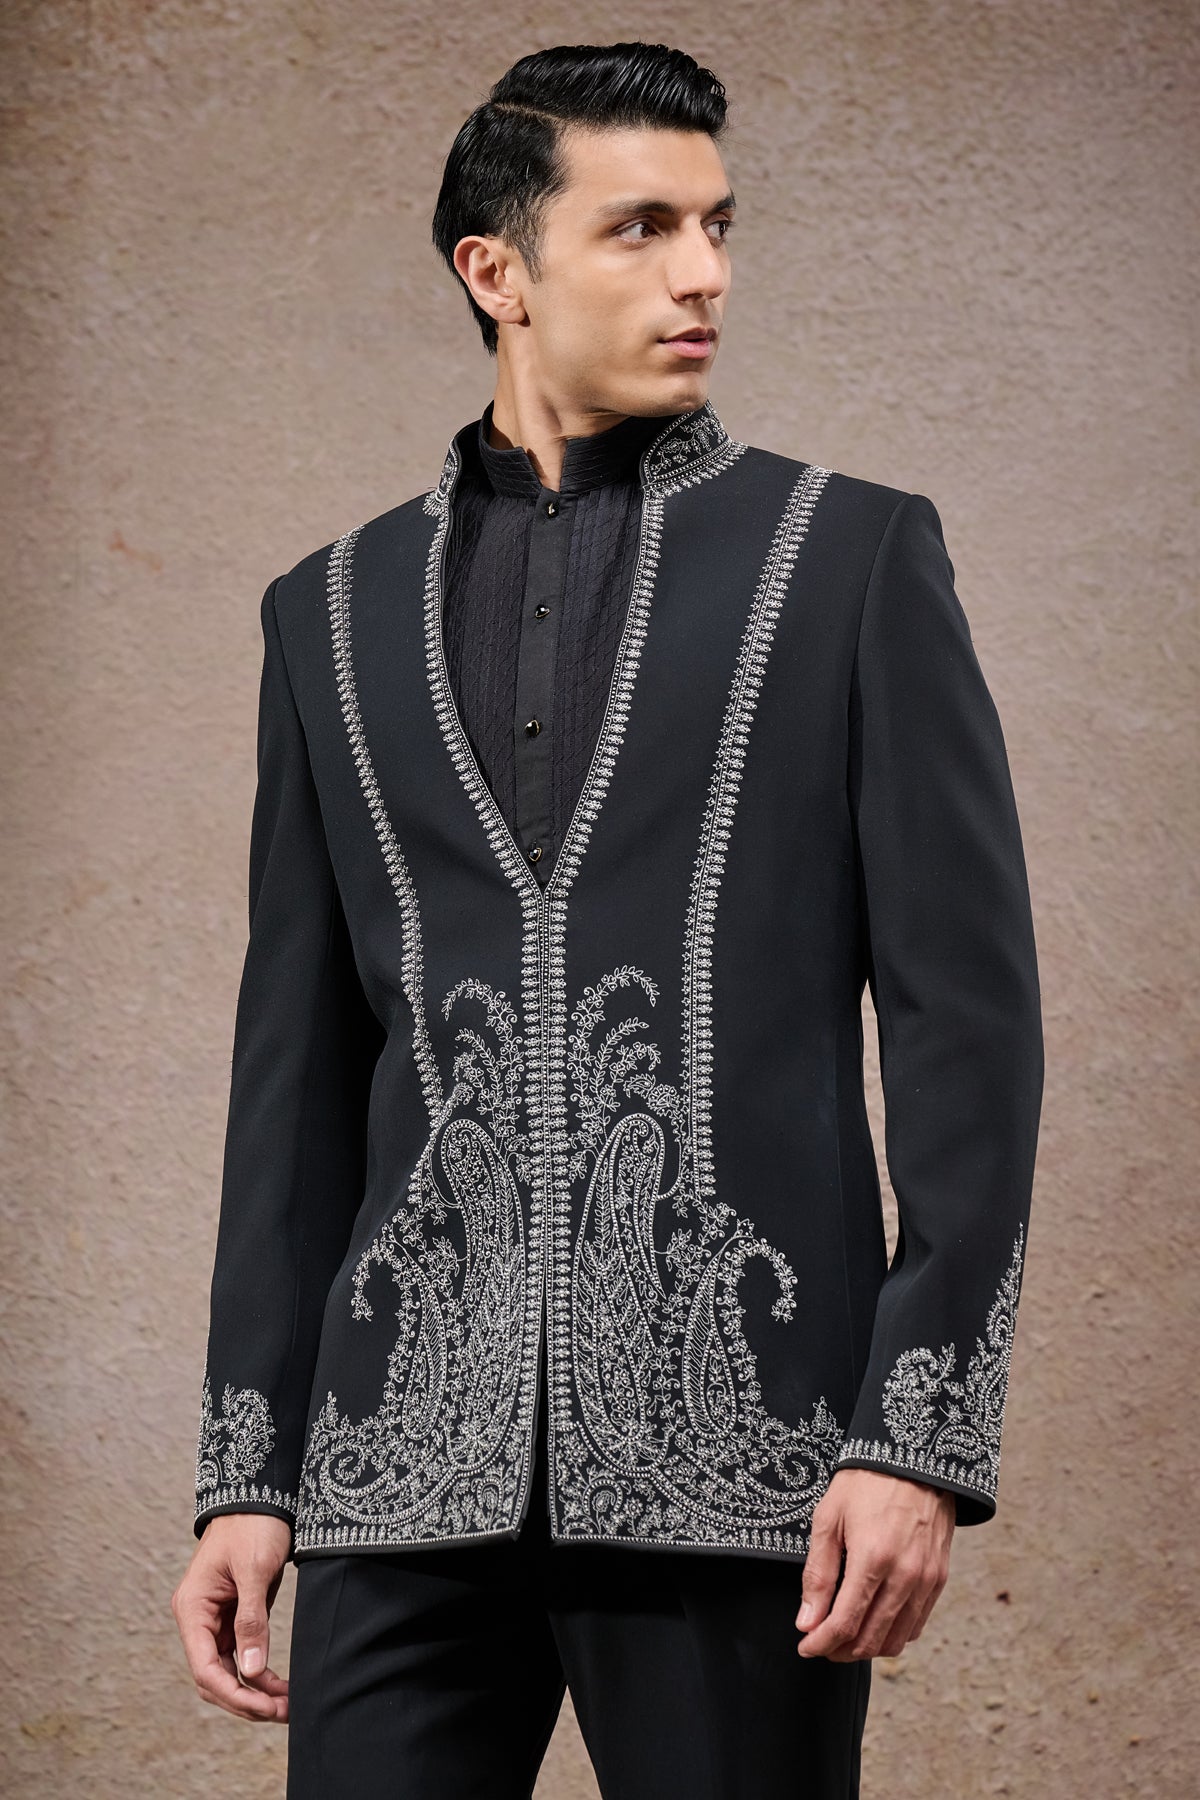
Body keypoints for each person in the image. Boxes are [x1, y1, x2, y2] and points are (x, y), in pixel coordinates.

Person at [171, 39, 1044, 1800]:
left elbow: (971, 1032)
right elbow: (296, 1077)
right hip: (400, 1462)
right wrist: (248, 1478)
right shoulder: (324, 612)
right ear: (495, 270)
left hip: (745, 1459)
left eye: (717, 225)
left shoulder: (850, 560)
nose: (703, 273)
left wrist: (917, 1435)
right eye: (641, 228)